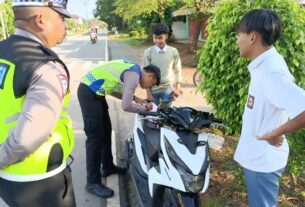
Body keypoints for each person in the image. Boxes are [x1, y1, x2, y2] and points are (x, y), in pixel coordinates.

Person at [0, 0, 76, 207]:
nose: (65, 25)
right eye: (61, 18)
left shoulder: (3, 50)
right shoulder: (44, 66)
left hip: (8, 180)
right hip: (40, 181)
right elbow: (26, 140)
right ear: (41, 20)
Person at [234, 9, 305, 207]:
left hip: (262, 162)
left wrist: (276, 132)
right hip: (259, 158)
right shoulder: (264, 65)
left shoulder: (270, 72)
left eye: (239, 34)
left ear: (252, 37)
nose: (237, 39)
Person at [77, 59, 160, 198]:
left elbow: (113, 90)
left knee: (106, 130)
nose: (147, 87)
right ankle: (92, 182)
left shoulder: (132, 69)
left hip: (96, 93)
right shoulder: (134, 76)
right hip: (89, 94)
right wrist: (144, 108)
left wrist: (136, 99)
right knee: (95, 138)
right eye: (151, 84)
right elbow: (126, 106)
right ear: (150, 75)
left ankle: (108, 166)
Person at [143, 23, 182, 106]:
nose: (157, 41)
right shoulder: (148, 53)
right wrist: (148, 93)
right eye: (155, 38)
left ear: (166, 37)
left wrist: (178, 88)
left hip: (167, 90)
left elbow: (177, 69)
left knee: (167, 115)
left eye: (160, 38)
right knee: (153, 116)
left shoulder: (173, 51)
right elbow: (145, 74)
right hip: (153, 91)